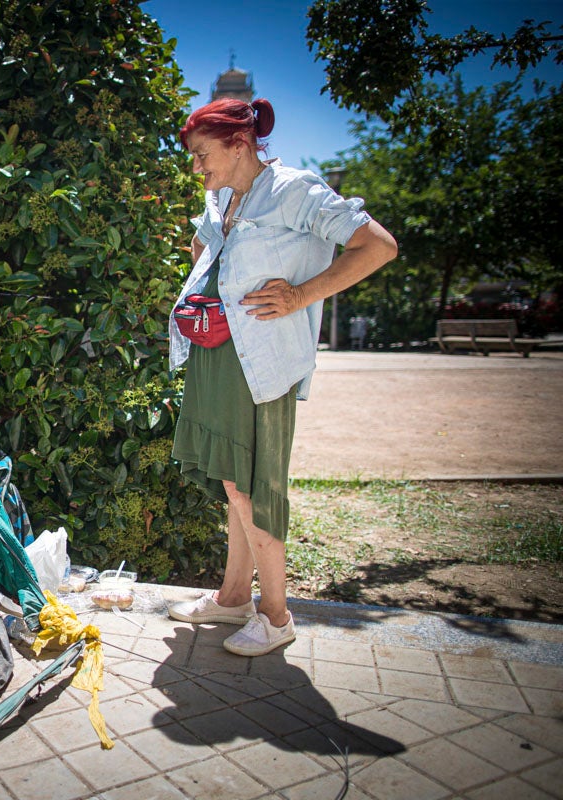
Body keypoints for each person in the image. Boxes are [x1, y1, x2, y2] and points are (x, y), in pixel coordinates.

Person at [165, 98, 398, 656]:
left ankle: (275, 615)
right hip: (218, 351)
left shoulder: (295, 189)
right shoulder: (221, 196)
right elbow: (204, 246)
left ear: (239, 144)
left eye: (202, 156)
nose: (196, 169)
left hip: (262, 361)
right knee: (232, 481)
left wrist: (300, 294)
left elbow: (378, 247)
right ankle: (232, 598)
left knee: (254, 488)